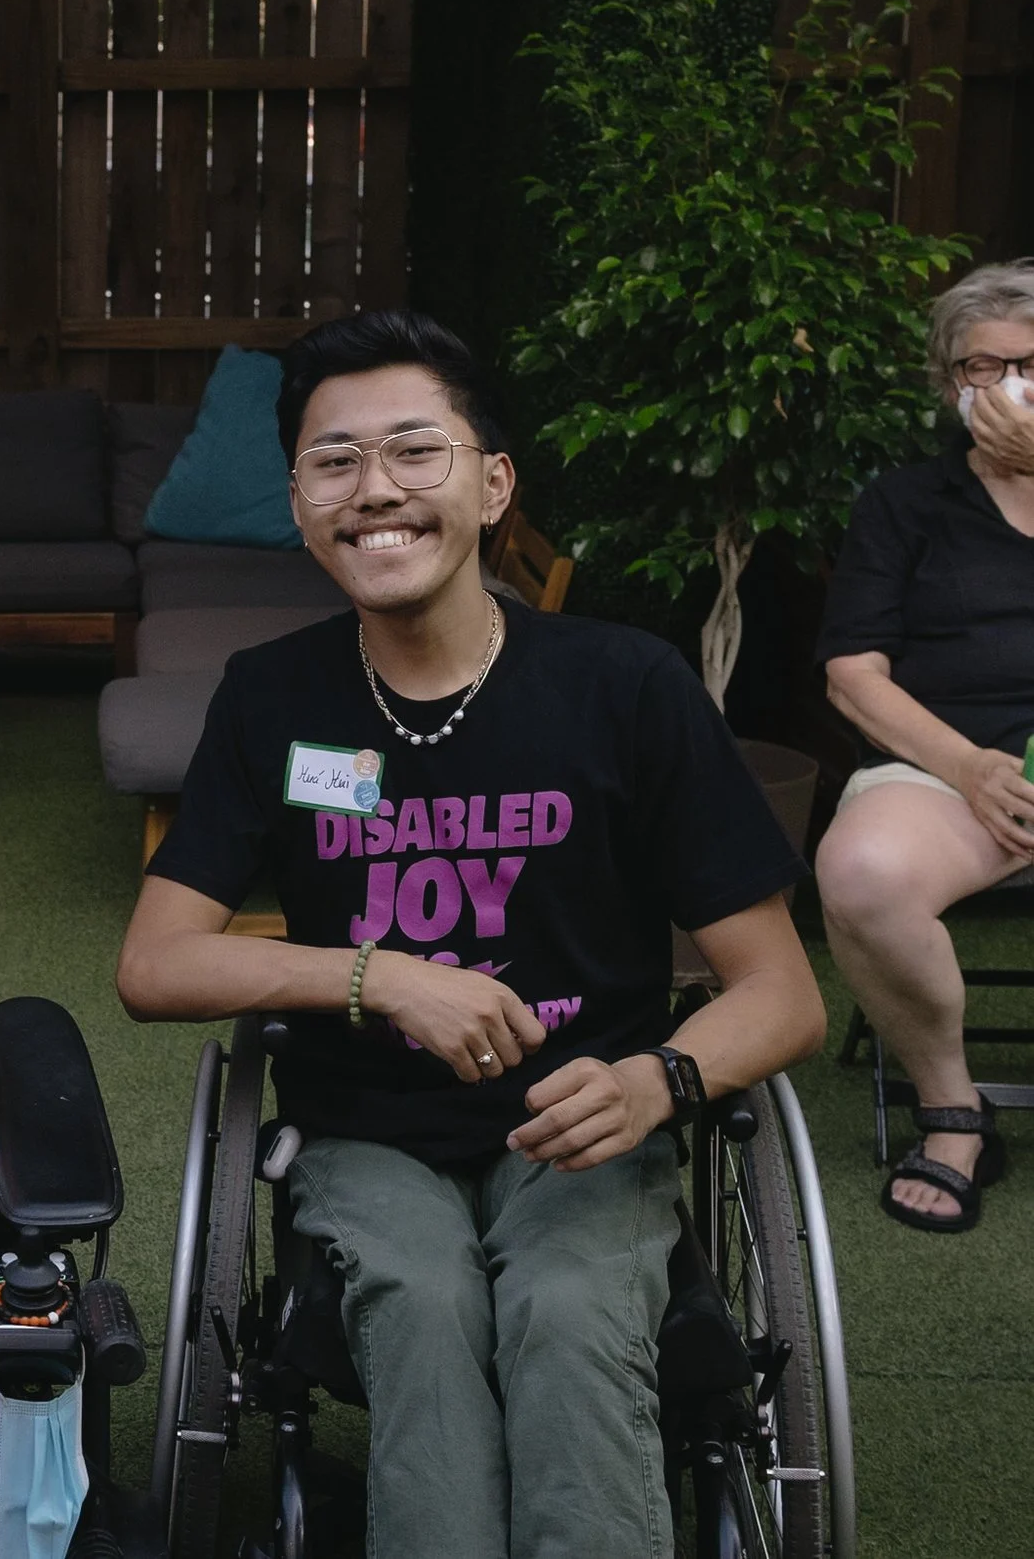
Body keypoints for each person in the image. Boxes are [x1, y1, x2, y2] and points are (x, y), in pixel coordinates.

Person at [116, 309, 824, 1559]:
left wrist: (658, 1081)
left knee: (562, 1304)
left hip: (583, 1122)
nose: (373, 490)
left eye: (412, 451)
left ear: (492, 484)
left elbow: (781, 991)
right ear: (296, 500)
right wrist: (378, 977)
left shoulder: (623, 684)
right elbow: (156, 961)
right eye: (333, 462)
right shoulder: (274, 696)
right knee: (428, 1303)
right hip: (369, 1132)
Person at [814, 259, 1034, 1234]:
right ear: (949, 386)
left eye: (1026, 364)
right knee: (861, 867)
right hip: (949, 763)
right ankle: (953, 1110)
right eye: (977, 367)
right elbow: (851, 674)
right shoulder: (903, 504)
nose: (1003, 386)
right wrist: (970, 768)